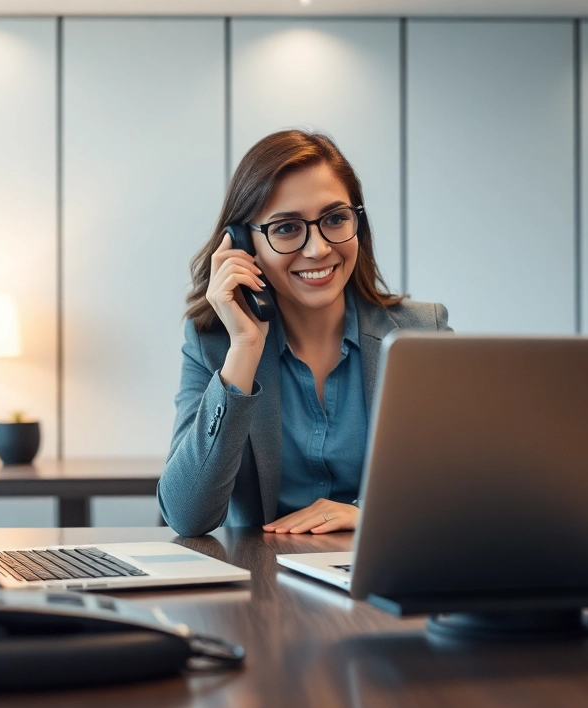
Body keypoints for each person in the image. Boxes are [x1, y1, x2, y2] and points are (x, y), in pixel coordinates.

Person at [158, 130, 451, 538]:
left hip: (383, 581)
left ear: (358, 224)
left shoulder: (423, 333)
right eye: (286, 228)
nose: (317, 249)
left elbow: (457, 490)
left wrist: (370, 514)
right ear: (244, 244)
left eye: (335, 219)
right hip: (264, 586)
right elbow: (187, 515)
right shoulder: (213, 343)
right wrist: (244, 349)